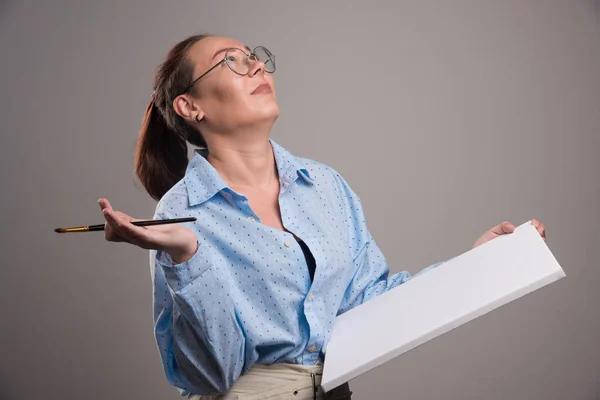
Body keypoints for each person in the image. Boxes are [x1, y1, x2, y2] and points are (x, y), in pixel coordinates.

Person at [97, 34, 547, 399]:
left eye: (254, 56)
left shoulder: (325, 185)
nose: (256, 65)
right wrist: (187, 254)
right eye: (230, 61)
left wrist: (475, 265)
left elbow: (370, 302)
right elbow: (210, 376)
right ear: (190, 107)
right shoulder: (180, 213)